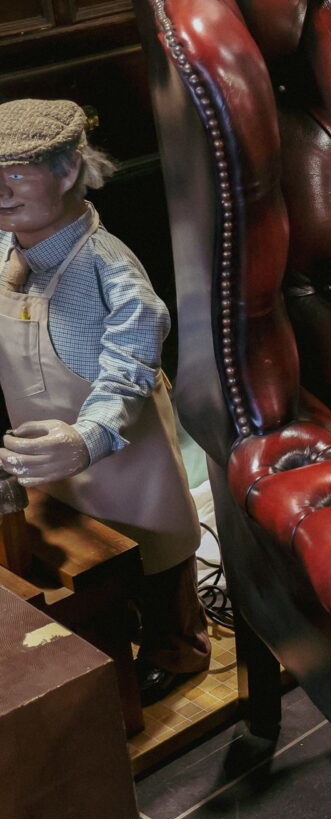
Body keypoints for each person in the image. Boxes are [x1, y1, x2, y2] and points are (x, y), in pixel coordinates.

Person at [0, 98, 210, 700]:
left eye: (16, 172)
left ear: (68, 172)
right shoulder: (6, 248)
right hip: (47, 451)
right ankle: (111, 636)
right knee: (85, 551)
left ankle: (180, 650)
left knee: (155, 551)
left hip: (124, 453)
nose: (2, 190)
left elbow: (128, 371)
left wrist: (88, 437)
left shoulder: (109, 270)